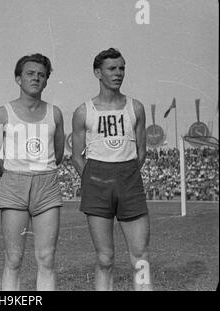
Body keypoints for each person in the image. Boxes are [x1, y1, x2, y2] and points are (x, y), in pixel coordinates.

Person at [72, 48, 152, 291]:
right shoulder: (84, 111)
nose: (118, 73)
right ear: (98, 72)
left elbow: (141, 152)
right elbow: (76, 156)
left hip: (129, 182)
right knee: (105, 259)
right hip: (97, 183)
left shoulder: (135, 107)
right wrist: (95, 179)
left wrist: (124, 175)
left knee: (140, 256)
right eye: (112, 69)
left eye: (122, 68)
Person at [0, 53, 65, 290]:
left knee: (46, 259)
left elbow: (59, 153)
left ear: (46, 81)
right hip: (14, 185)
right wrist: (11, 175)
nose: (36, 78)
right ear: (18, 78)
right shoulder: (3, 112)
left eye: (42, 75)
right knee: (14, 259)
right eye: (30, 74)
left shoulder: (55, 113)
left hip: (47, 185)